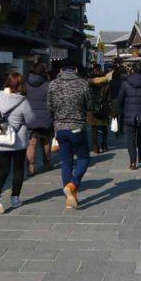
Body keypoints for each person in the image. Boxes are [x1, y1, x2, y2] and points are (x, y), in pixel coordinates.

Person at [48, 61, 92, 209]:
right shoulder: (82, 84)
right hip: (77, 127)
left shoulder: (53, 84)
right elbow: (89, 104)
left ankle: (69, 199)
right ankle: (73, 185)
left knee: (66, 161)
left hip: (60, 128)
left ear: (61, 69)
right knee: (83, 158)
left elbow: (49, 106)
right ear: (76, 69)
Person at [0, 73, 34, 214]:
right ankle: (15, 198)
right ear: (21, 85)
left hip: (0, 138)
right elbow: (31, 119)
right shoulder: (22, 101)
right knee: (18, 170)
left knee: (3, 170)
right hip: (17, 141)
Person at [118, 62, 141, 169]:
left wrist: (124, 107)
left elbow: (120, 98)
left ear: (133, 70)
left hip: (129, 114)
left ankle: (132, 161)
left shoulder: (125, 83)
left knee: (130, 138)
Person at [24, 63, 53, 176]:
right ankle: (47, 162)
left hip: (29, 117)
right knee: (45, 141)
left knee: (32, 144)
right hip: (45, 117)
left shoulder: (26, 84)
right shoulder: (48, 85)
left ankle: (31, 167)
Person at [87, 65, 111, 154]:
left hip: (93, 107)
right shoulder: (106, 83)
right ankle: (104, 145)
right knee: (104, 127)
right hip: (104, 107)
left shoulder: (89, 83)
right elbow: (109, 97)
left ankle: (95, 147)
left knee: (94, 128)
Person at [109, 65, 125, 137]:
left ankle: (116, 130)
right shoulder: (123, 82)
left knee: (115, 116)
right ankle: (121, 129)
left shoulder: (111, 82)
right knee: (122, 116)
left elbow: (109, 92)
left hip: (113, 100)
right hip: (122, 100)